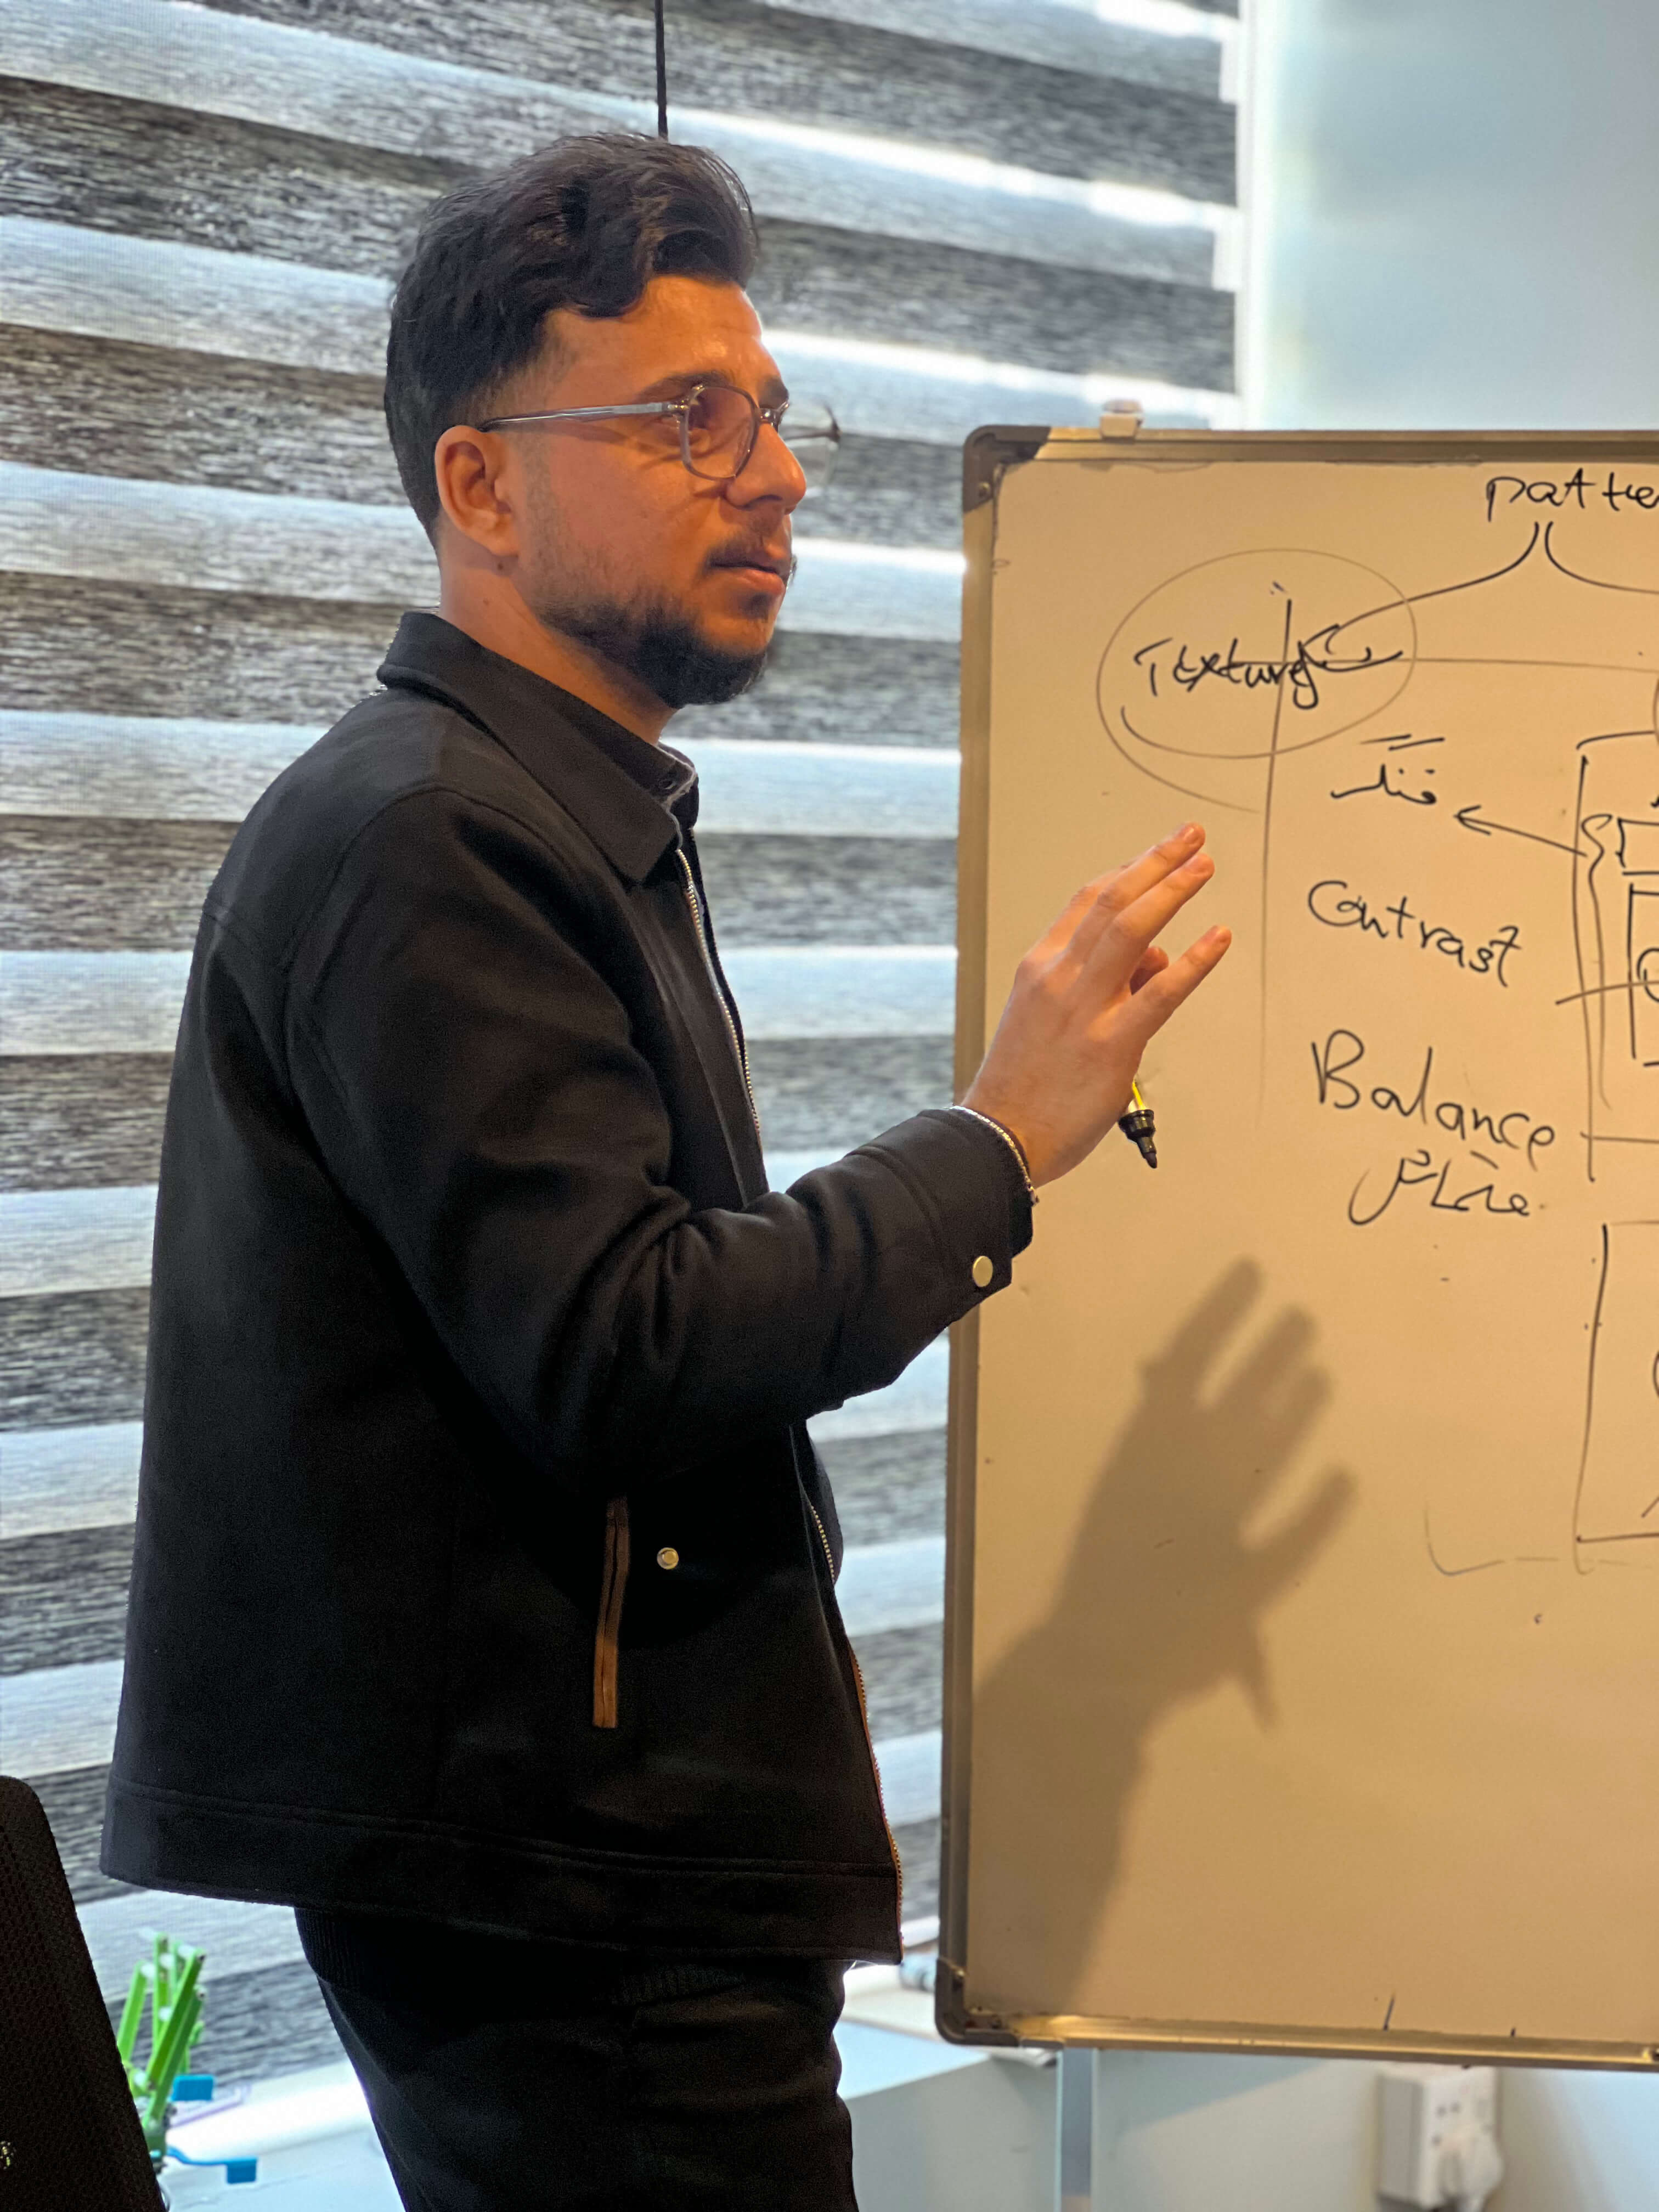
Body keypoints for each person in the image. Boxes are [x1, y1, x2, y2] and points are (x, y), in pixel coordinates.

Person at [101, 134, 1229, 2209]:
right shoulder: (429, 834)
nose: (776, 476)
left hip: (600, 1867)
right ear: (481, 486)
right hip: (571, 1891)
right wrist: (996, 1140)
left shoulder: (549, 811)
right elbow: (624, 1341)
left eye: (775, 417)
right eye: (688, 419)